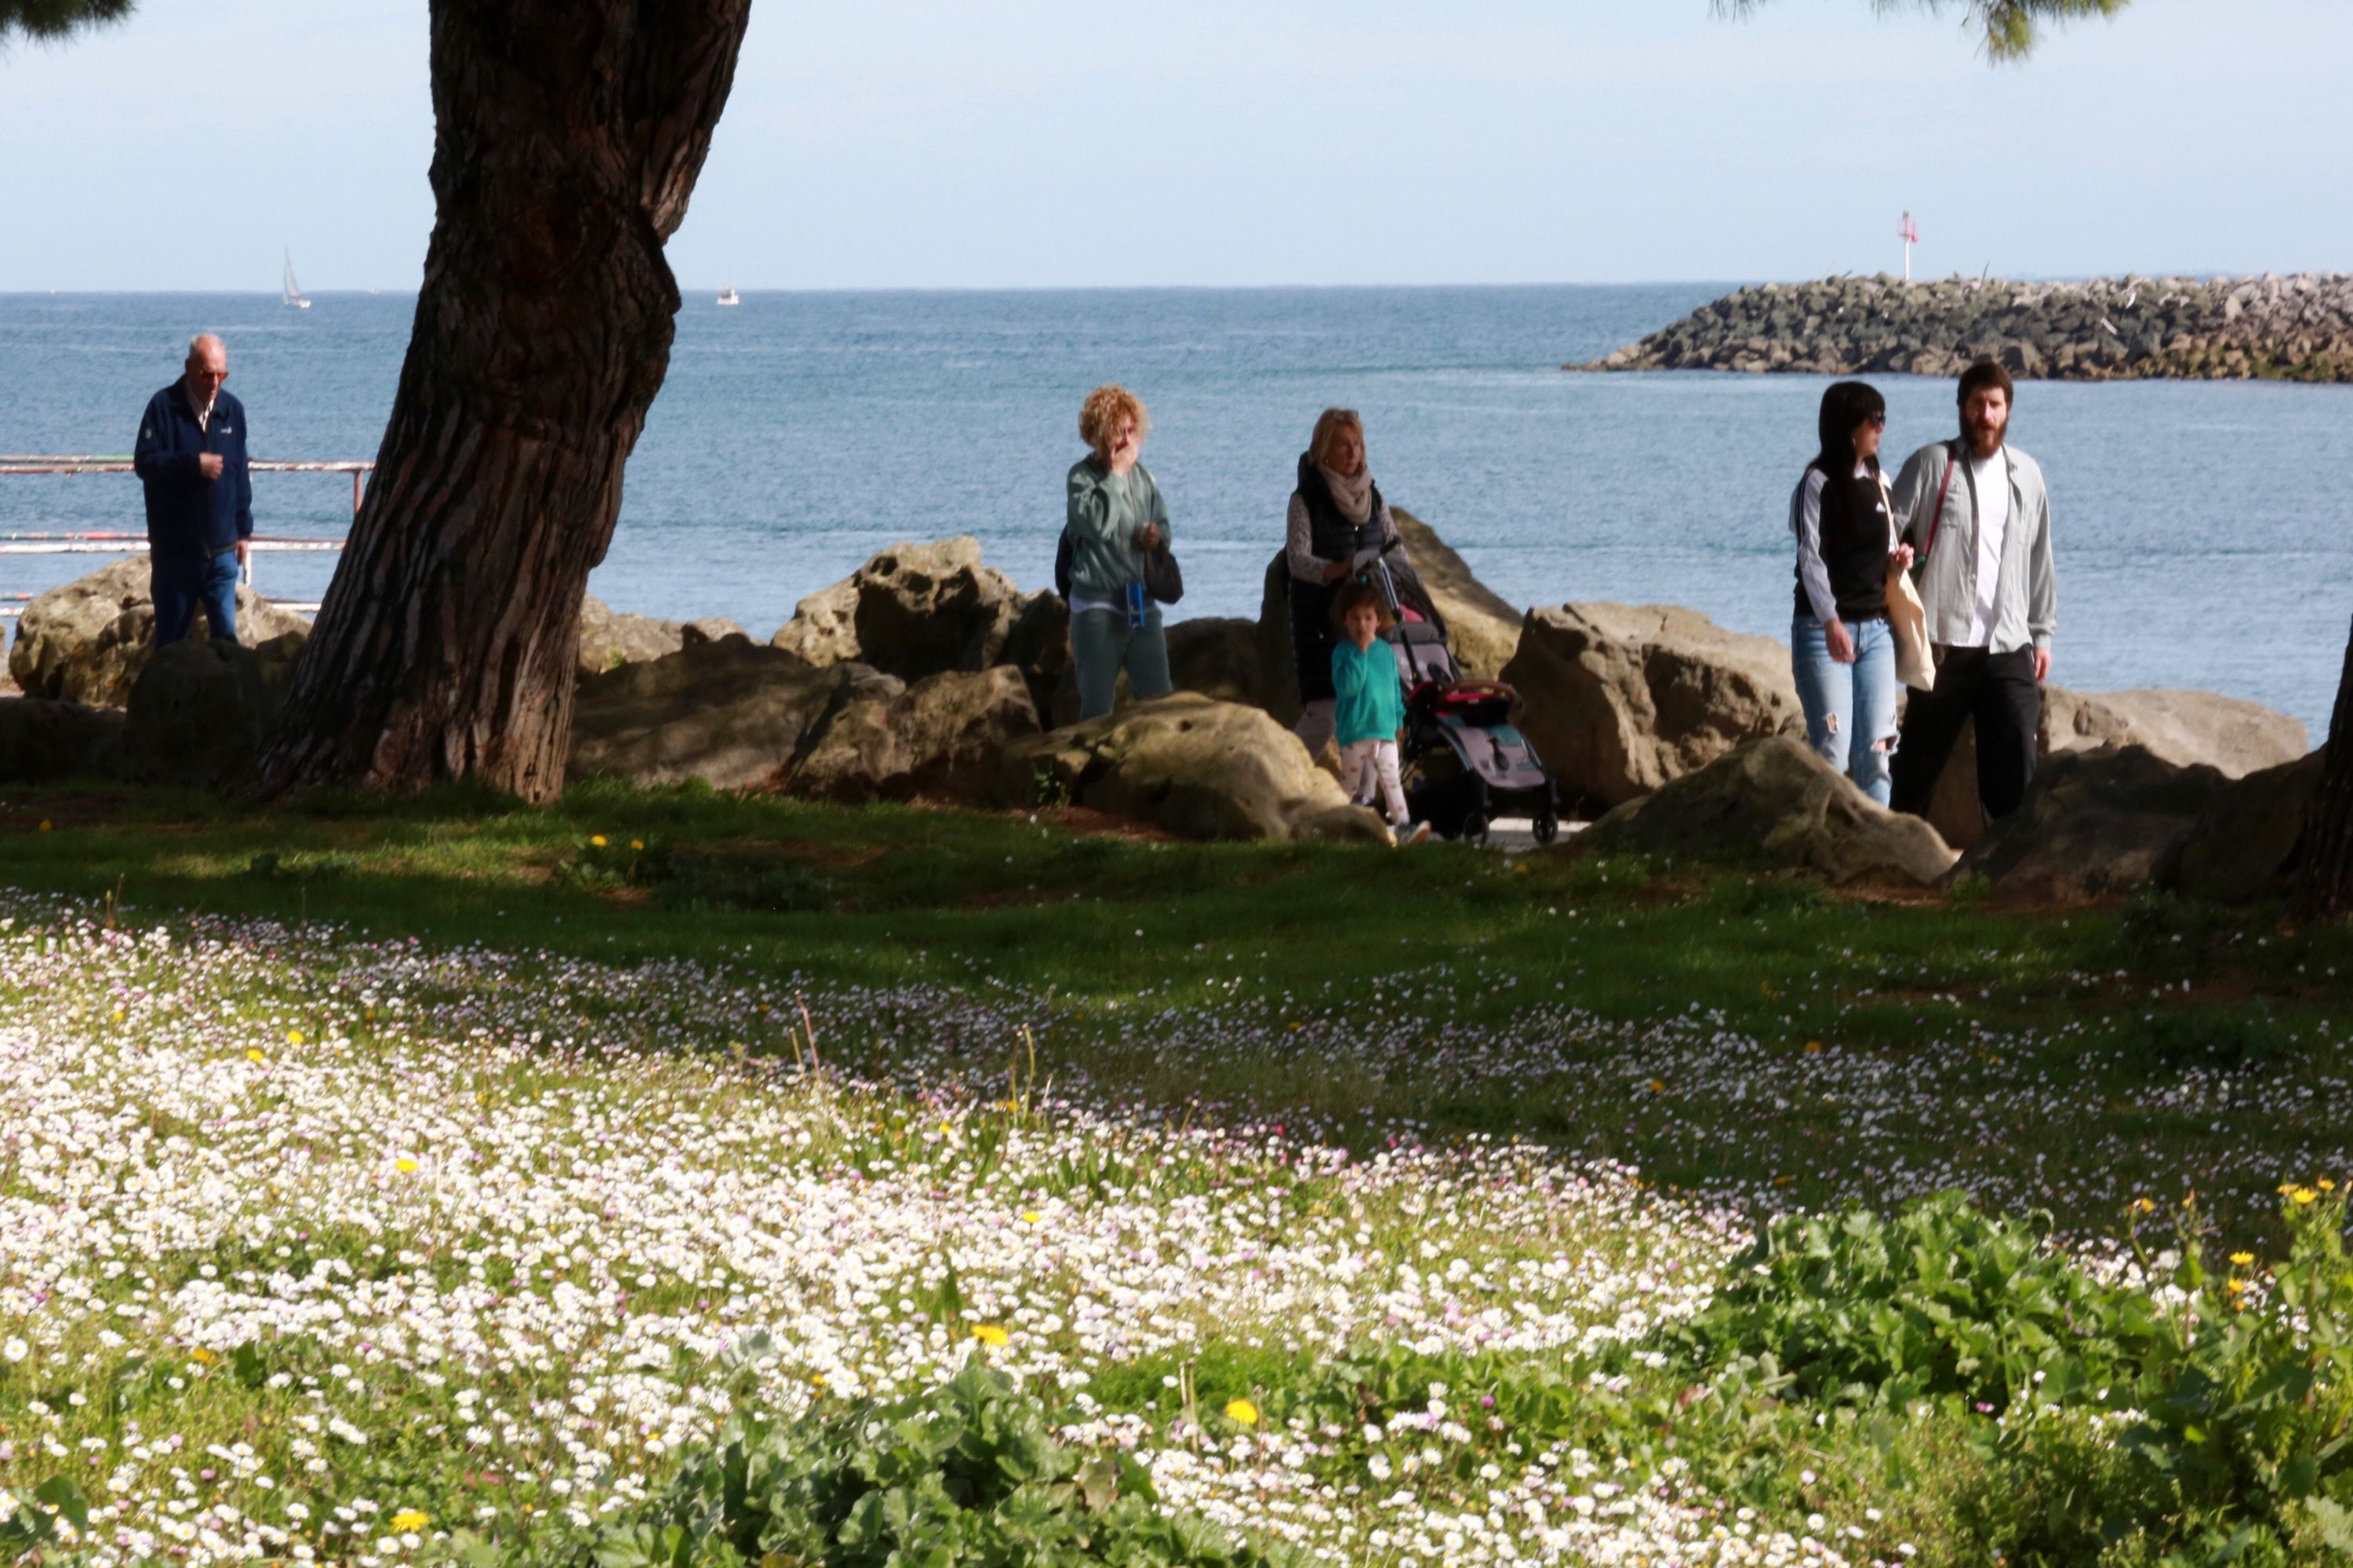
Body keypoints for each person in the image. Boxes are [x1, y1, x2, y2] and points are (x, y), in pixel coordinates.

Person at [1886, 360, 2057, 824]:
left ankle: (2006, 869)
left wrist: (2042, 634)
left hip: (2007, 645)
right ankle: (1895, 856)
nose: (1986, 414)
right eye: (1978, 403)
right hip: (1944, 646)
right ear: (1961, 407)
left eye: (1995, 405)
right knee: (1918, 769)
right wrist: (1893, 560)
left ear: (2008, 411)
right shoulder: (1931, 464)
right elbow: (1887, 529)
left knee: (2019, 757)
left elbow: (2040, 557)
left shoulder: (2027, 474)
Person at [1788, 380, 1910, 806]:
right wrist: (1831, 621)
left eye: (1883, 419)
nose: (1881, 429)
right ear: (1848, 427)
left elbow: (1887, 545)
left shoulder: (1880, 479)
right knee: (1832, 751)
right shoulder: (1816, 483)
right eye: (1873, 420)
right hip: (1823, 633)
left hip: (1876, 632)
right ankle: (1816, 850)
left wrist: (1900, 558)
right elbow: (1811, 559)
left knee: (1878, 751)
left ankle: (1878, 850)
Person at [1286, 408, 1409, 756]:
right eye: (1344, 445)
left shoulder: (1375, 498)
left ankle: (1367, 794)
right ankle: (1282, 775)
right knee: (1323, 713)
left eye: (1357, 444)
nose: (1353, 453)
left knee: (1369, 708)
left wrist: (1393, 573)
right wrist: (1339, 569)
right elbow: (1298, 561)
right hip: (1322, 621)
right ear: (1323, 449)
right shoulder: (1304, 501)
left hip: (1370, 620)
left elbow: (1396, 548)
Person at [133, 333, 253, 646]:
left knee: (227, 646)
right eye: (207, 374)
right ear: (189, 369)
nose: (215, 382)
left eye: (221, 374)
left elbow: (240, 473)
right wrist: (192, 465)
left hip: (223, 554)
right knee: (171, 646)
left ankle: (226, 697)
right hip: (176, 555)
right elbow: (145, 463)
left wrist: (244, 531)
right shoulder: (163, 408)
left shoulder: (232, 411)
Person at [1064, 384, 1174, 721]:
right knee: (1097, 711)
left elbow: (1165, 528)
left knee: (1160, 705)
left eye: (1131, 431)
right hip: (1096, 610)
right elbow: (1097, 526)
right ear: (1098, 435)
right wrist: (1114, 475)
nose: (1127, 440)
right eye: (1117, 432)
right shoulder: (1081, 478)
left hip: (1141, 605)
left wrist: (1157, 537)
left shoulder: (1145, 479)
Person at [1330, 582, 1429, 846]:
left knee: (1392, 780)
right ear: (1345, 620)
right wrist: (1360, 655)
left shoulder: (1385, 652)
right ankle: (1336, 823)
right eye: (1355, 618)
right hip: (1355, 731)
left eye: (1368, 618)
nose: (1362, 625)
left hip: (1384, 730)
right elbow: (1348, 688)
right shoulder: (1343, 653)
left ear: (1378, 620)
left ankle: (1404, 826)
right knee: (1350, 784)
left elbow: (1394, 689)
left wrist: (1398, 718)